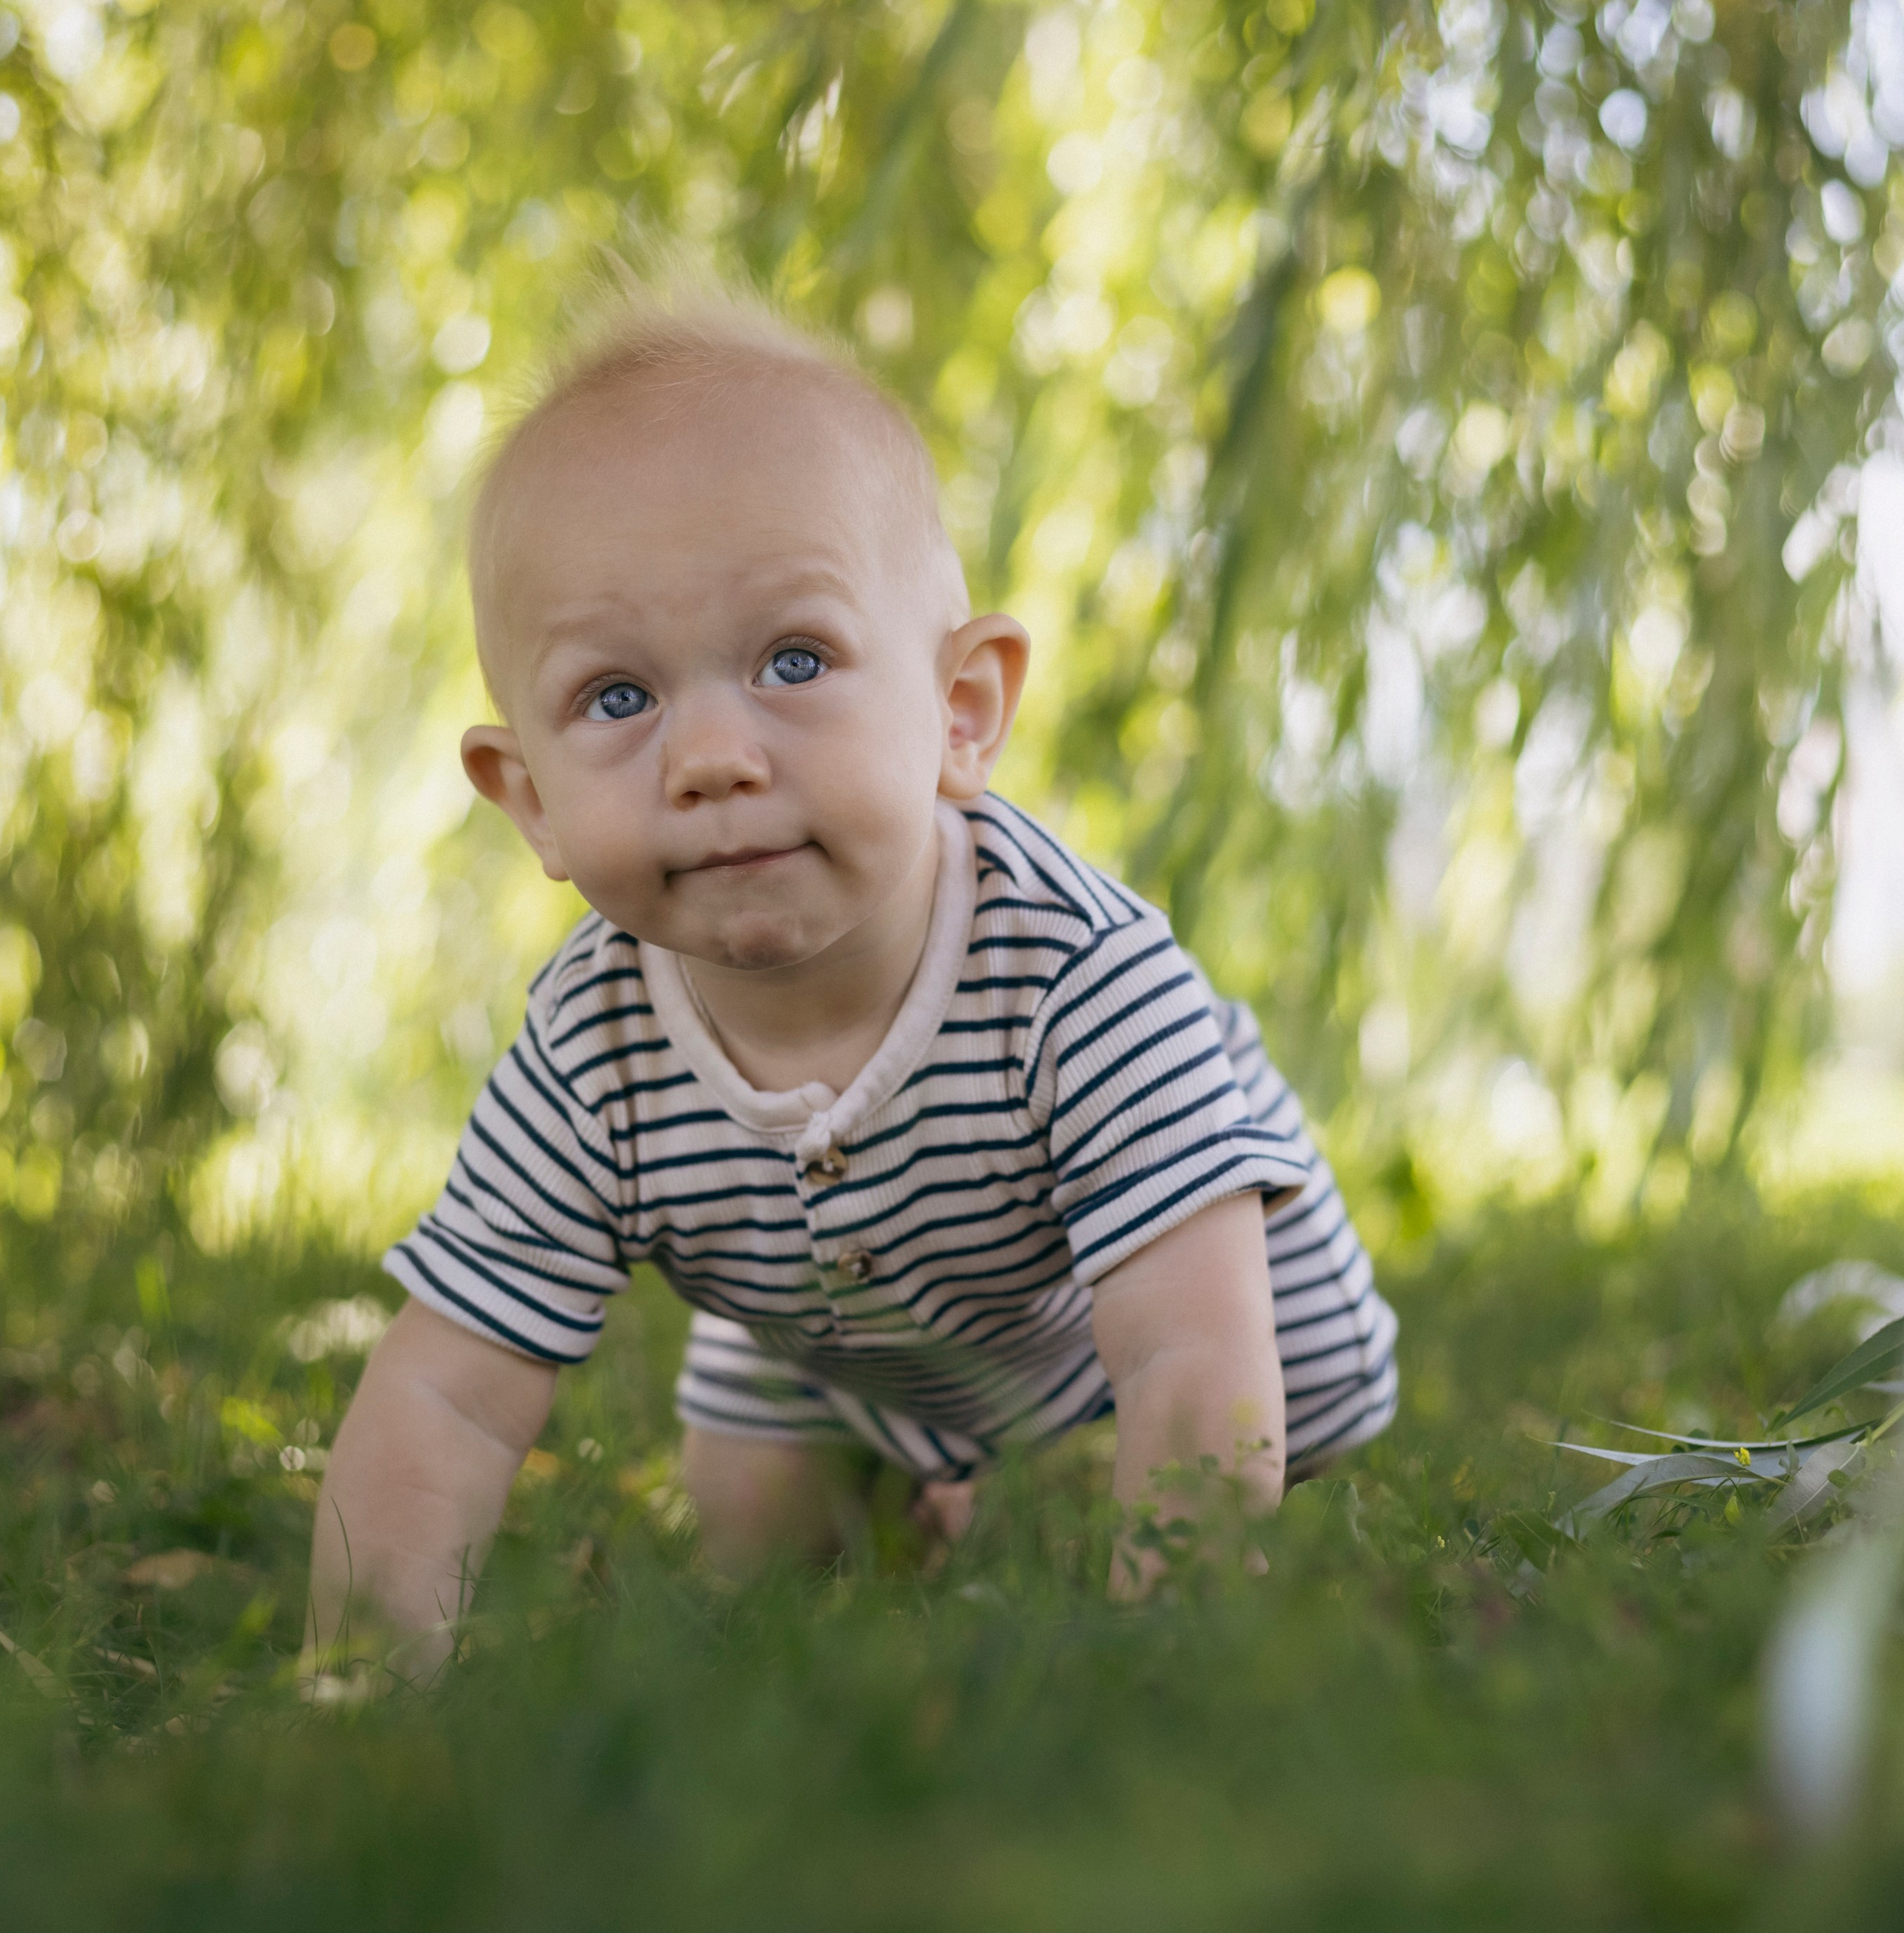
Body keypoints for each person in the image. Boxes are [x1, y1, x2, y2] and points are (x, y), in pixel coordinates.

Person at [306, 276, 1397, 1677]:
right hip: (843, 1329)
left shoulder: (1078, 974)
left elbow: (1194, 1355)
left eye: (794, 659)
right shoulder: (593, 1046)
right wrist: (356, 1690)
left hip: (1192, 1292)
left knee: (1276, 1445)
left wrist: (1163, 1660)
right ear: (529, 801)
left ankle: (1177, 1544)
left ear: (960, 714)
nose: (711, 756)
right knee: (755, 1531)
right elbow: (446, 1397)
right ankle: (914, 1489)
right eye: (618, 698)